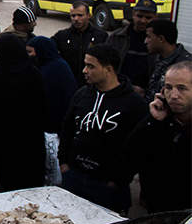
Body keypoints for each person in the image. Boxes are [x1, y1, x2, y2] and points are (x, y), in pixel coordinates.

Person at [58, 44, 147, 213]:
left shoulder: (135, 104)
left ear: (108, 70)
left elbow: (140, 147)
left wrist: (118, 180)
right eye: (85, 65)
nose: (84, 70)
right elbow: (67, 127)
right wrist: (63, 162)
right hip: (74, 177)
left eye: (91, 66)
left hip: (107, 186)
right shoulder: (82, 94)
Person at [124, 61, 192, 213]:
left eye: (182, 88)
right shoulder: (160, 122)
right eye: (168, 88)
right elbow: (129, 156)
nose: (173, 95)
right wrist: (152, 120)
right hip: (157, 211)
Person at [0, 34, 47, 191]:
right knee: (32, 188)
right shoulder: (34, 74)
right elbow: (43, 107)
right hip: (31, 142)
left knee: (7, 186)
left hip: (3, 143)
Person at [27, 36, 78, 186]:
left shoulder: (52, 70)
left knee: (53, 167)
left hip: (54, 130)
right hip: (58, 128)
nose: (29, 56)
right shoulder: (55, 65)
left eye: (30, 52)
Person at [107, 0, 157, 97]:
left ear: (155, 17)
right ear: (133, 14)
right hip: (118, 93)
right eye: (139, 16)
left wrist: (147, 92)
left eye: (148, 17)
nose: (143, 21)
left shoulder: (158, 42)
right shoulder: (117, 37)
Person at [52, 1, 108, 87]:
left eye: (80, 15)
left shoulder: (100, 36)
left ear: (88, 16)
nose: (76, 19)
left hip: (92, 85)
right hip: (68, 83)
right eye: (73, 16)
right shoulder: (62, 36)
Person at [145, 19, 192, 102]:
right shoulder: (157, 58)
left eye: (149, 37)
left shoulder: (185, 65)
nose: (146, 41)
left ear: (161, 39)